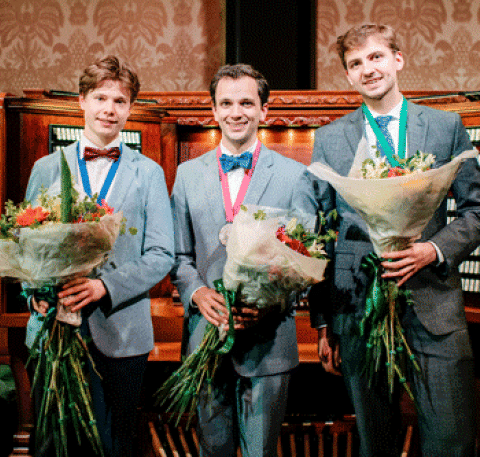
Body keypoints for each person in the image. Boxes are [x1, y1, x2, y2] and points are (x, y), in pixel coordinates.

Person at [309, 23, 480, 457]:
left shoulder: (445, 127)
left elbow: (476, 211)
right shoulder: (329, 140)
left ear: (397, 60)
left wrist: (434, 248)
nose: (368, 69)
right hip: (357, 312)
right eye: (356, 63)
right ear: (347, 76)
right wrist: (325, 323)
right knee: (375, 444)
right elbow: (323, 232)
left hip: (434, 308)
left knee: (450, 441)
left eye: (376, 57)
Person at [25, 55, 175, 457]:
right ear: (82, 101)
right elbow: (26, 244)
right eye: (101, 98)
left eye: (120, 101)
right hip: (54, 328)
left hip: (122, 333)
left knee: (115, 444)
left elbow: (163, 254)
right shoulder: (46, 167)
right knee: (54, 445)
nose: (110, 109)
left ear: (130, 108)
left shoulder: (149, 173)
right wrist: (35, 292)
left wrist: (103, 286)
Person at [171, 63, 317, 456]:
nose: (236, 112)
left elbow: (305, 260)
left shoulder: (296, 175)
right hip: (206, 335)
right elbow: (179, 255)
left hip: (268, 343)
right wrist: (198, 293)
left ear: (264, 111)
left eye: (247, 103)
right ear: (214, 111)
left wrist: (270, 300)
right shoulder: (186, 175)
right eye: (227, 103)